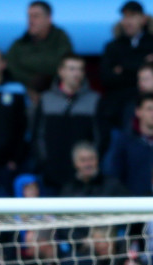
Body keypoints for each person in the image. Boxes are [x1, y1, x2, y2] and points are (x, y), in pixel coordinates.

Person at [98, 1, 153, 132]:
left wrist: (123, 68)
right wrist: (142, 62)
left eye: (133, 16)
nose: (128, 21)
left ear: (143, 19)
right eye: (125, 17)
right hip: (117, 111)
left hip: (150, 108)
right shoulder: (112, 46)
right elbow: (106, 78)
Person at [33, 54, 100, 190]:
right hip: (52, 174)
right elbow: (37, 134)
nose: (76, 73)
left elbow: (100, 136)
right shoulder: (46, 99)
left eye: (80, 69)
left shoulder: (94, 99)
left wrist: (88, 164)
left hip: (83, 176)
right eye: (72, 69)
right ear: (61, 71)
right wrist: (44, 162)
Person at [6, 1, 74, 92]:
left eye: (36, 16)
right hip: (26, 94)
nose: (31, 21)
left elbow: (60, 65)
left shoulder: (61, 39)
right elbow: (11, 66)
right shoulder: (19, 43)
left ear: (48, 18)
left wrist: (28, 63)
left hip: (57, 92)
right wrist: (31, 80)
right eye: (29, 16)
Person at [59, 142, 128, 197]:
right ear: (75, 163)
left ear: (97, 160)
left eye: (91, 159)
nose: (88, 164)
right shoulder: (68, 190)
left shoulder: (113, 186)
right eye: (83, 160)